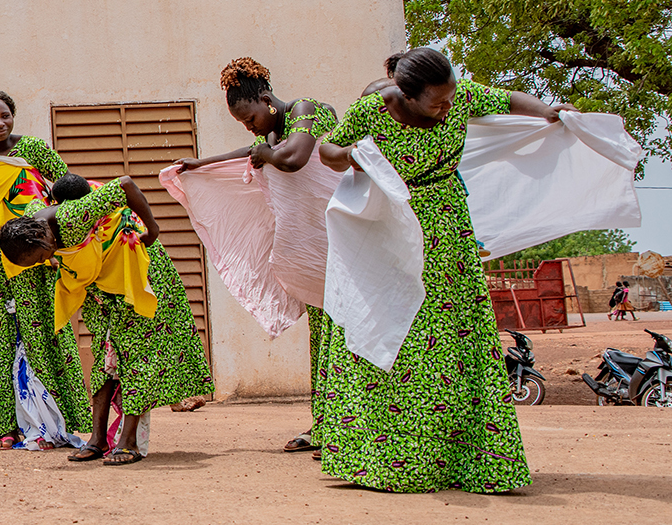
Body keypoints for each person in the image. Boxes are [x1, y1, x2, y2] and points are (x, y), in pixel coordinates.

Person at [316, 46, 571, 493]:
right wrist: (354, 157)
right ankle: (389, 457)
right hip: (390, 230)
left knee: (455, 341)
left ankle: (469, 459)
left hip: (448, 235)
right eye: (438, 103)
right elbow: (327, 150)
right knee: (396, 336)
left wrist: (548, 112)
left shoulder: (458, 96)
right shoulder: (373, 110)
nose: (449, 108)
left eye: (451, 99)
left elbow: (508, 100)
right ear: (407, 95)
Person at [175, 57, 339, 454]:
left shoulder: (307, 110)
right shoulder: (269, 136)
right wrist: (202, 165)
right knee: (324, 344)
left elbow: (295, 158)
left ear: (266, 100)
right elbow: (250, 151)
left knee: (344, 340)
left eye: (250, 119)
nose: (250, 128)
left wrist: (263, 155)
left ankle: (346, 429)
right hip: (315, 251)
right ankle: (328, 425)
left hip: (342, 244)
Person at [0, 175, 215, 465]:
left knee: (138, 354)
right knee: (105, 356)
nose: (43, 263)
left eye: (39, 258)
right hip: (102, 284)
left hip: (137, 274)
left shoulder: (72, 215)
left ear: (41, 238)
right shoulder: (33, 219)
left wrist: (152, 229)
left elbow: (125, 184)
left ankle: (128, 442)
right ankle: (98, 439)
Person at [0, 89, 91, 449]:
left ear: (13, 116)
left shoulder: (35, 149)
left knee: (40, 330)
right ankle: (2, 426)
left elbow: (67, 192)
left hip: (31, 257)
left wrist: (59, 243)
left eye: (4, 116)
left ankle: (52, 423)